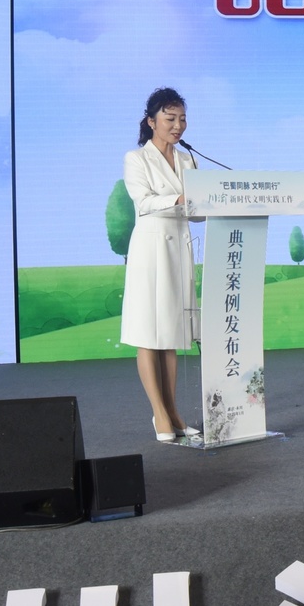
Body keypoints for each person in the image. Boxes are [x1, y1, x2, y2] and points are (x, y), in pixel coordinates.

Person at [121, 87, 200, 443]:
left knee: (170, 335)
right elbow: (144, 202)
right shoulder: (136, 159)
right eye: (170, 119)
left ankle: (174, 413)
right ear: (151, 121)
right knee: (149, 334)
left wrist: (214, 203)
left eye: (182, 118)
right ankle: (159, 414)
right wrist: (180, 198)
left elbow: (195, 214)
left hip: (179, 250)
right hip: (151, 252)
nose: (178, 125)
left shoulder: (188, 161)